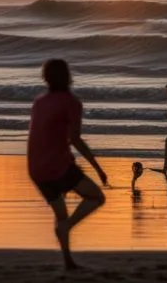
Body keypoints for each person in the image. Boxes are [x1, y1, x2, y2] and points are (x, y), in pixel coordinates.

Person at [28, 59, 108, 270]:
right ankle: (67, 228)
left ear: (45, 78)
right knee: (96, 197)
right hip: (57, 167)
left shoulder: (39, 101)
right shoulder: (71, 102)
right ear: (68, 76)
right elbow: (74, 139)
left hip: (35, 169)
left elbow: (44, 136)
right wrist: (97, 168)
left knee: (60, 214)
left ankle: (68, 261)